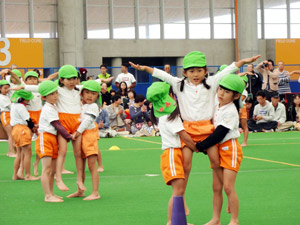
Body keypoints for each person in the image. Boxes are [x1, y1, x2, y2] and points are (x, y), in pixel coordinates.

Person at [130, 52, 260, 213]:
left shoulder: (212, 83)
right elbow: (163, 75)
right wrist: (145, 68)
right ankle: (181, 200)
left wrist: (242, 62)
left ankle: (228, 195)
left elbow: (227, 71)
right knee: (186, 166)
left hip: (207, 130)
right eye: (191, 71)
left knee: (215, 162)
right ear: (185, 72)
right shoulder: (179, 84)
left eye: (199, 70)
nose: (195, 74)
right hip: (189, 130)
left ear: (205, 71)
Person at [196, 74, 244, 225]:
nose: (221, 93)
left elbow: (219, 134)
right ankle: (216, 219)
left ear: (236, 96)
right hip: (217, 150)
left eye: (227, 92)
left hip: (230, 149)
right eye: (220, 89)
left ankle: (234, 220)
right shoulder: (217, 105)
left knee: (229, 187)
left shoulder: (231, 111)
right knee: (216, 187)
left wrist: (201, 146)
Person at [146, 81, 197, 225]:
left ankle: (178, 220)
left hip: (172, 155)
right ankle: (171, 221)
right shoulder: (171, 117)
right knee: (178, 192)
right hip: (172, 155)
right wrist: (196, 147)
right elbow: (184, 135)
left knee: (178, 192)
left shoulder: (162, 117)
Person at [35, 80, 73, 202]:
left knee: (51, 170)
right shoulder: (48, 108)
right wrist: (68, 136)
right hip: (45, 138)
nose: (55, 96)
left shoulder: (54, 106)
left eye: (56, 93)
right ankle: (47, 195)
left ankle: (51, 193)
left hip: (52, 138)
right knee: (46, 169)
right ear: (44, 97)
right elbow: (57, 125)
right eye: (52, 94)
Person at [68, 80, 101, 200]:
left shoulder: (93, 106)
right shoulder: (80, 104)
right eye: (87, 92)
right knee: (80, 165)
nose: (89, 95)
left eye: (93, 93)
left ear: (97, 96)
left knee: (92, 166)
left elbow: (87, 121)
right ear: (82, 93)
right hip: (80, 135)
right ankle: (80, 191)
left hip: (88, 135)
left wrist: (77, 132)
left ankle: (95, 192)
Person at [10, 89, 39, 180]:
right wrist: (34, 128)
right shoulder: (21, 107)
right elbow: (28, 120)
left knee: (19, 153)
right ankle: (28, 175)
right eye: (27, 99)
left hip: (15, 129)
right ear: (22, 99)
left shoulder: (14, 105)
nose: (29, 100)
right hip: (22, 129)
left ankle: (15, 175)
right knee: (28, 153)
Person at [0, 79, 16, 157]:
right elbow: (10, 107)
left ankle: (14, 152)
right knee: (10, 134)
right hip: (5, 114)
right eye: (5, 88)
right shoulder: (1, 97)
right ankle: (10, 152)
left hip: (10, 114)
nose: (7, 90)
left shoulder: (6, 96)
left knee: (12, 134)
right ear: (0, 88)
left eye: (8, 88)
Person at [238, 75, 249, 147]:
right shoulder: (237, 89)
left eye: (244, 82)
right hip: (236, 107)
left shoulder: (244, 91)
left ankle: (245, 142)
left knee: (244, 125)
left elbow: (240, 100)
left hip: (242, 107)